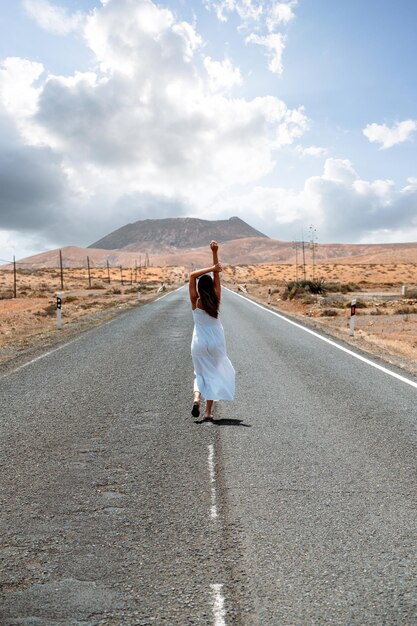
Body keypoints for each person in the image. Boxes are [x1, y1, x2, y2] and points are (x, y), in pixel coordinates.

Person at [189, 241, 235, 421]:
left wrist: (210, 267)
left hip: (199, 342)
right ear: (212, 288)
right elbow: (218, 274)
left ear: (200, 288)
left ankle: (196, 398)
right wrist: (215, 253)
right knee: (213, 374)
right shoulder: (216, 299)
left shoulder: (196, 301)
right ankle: (208, 412)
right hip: (216, 341)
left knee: (199, 373)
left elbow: (192, 275)